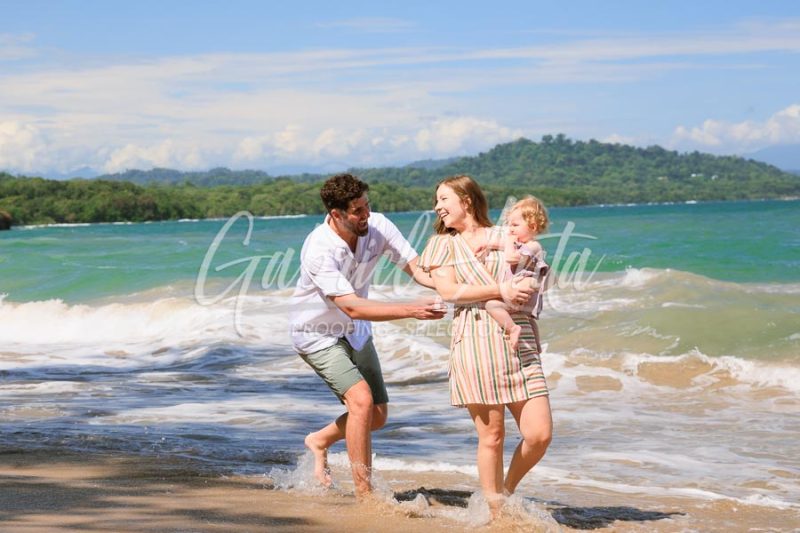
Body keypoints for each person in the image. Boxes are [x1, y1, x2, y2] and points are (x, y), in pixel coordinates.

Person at [289, 173, 445, 498]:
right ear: (336, 214)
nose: (366, 215)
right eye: (357, 210)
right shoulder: (319, 249)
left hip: (356, 332)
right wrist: (413, 310)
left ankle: (319, 440)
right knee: (360, 400)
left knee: (376, 416)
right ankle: (366, 496)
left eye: (367, 205)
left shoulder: (379, 227)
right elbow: (354, 307)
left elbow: (417, 268)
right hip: (318, 334)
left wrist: (457, 285)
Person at [418, 175, 552, 518]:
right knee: (491, 436)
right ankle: (496, 513)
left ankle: (506, 491)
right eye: (436, 201)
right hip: (474, 339)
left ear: (466, 200)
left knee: (539, 434)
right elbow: (448, 292)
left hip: (518, 337)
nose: (437, 207)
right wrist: (501, 291)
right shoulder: (441, 244)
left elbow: (536, 269)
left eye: (443, 199)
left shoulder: (505, 235)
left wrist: (531, 285)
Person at [483, 196, 550, 353]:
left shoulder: (534, 246)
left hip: (522, 292)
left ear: (532, 227)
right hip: (523, 293)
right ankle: (537, 345)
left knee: (491, 305)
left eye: (515, 225)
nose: (510, 229)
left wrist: (507, 243)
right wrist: (486, 245)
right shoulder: (524, 245)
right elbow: (504, 246)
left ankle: (512, 329)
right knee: (529, 319)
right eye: (508, 224)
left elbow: (511, 257)